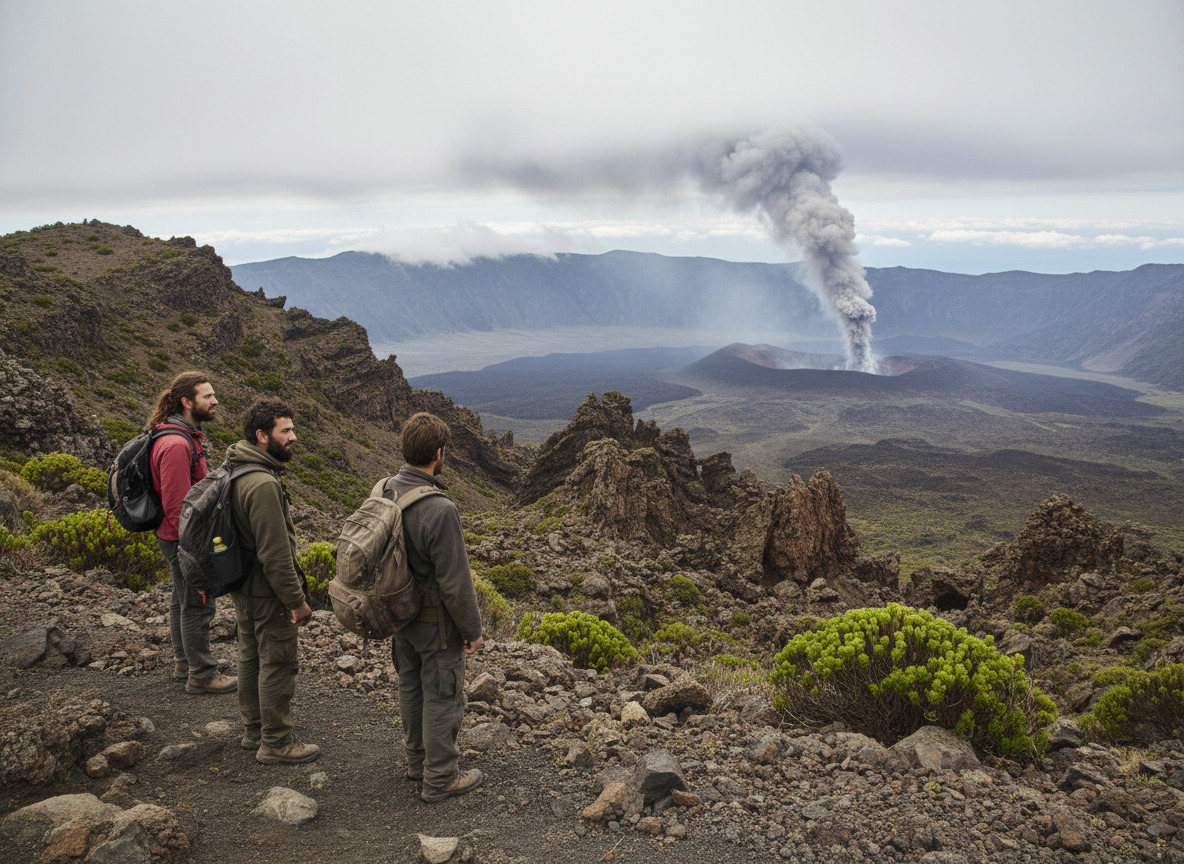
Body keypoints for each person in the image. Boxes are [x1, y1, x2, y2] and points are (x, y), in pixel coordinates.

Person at [389, 411, 484, 803]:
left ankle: (417, 763)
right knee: (443, 694)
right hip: (435, 625)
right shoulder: (440, 509)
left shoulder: (386, 488)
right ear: (438, 453)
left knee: (411, 686)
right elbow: (455, 581)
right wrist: (472, 630)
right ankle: (441, 776)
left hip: (399, 616)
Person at [226, 397, 320, 765]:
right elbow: (275, 554)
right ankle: (277, 742)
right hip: (266, 591)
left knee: (250, 656)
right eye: (286, 430)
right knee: (278, 661)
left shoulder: (237, 467)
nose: (294, 437)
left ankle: (255, 731)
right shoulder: (262, 483)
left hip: (244, 586)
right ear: (262, 436)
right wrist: (295, 601)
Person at [149, 371, 237, 695]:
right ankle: (202, 674)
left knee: (181, 598)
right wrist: (195, 549)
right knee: (198, 602)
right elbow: (177, 506)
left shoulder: (183, 435)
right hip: (182, 538)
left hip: (176, 535)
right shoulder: (175, 445)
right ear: (187, 402)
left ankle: (184, 663)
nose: (215, 401)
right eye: (207, 396)